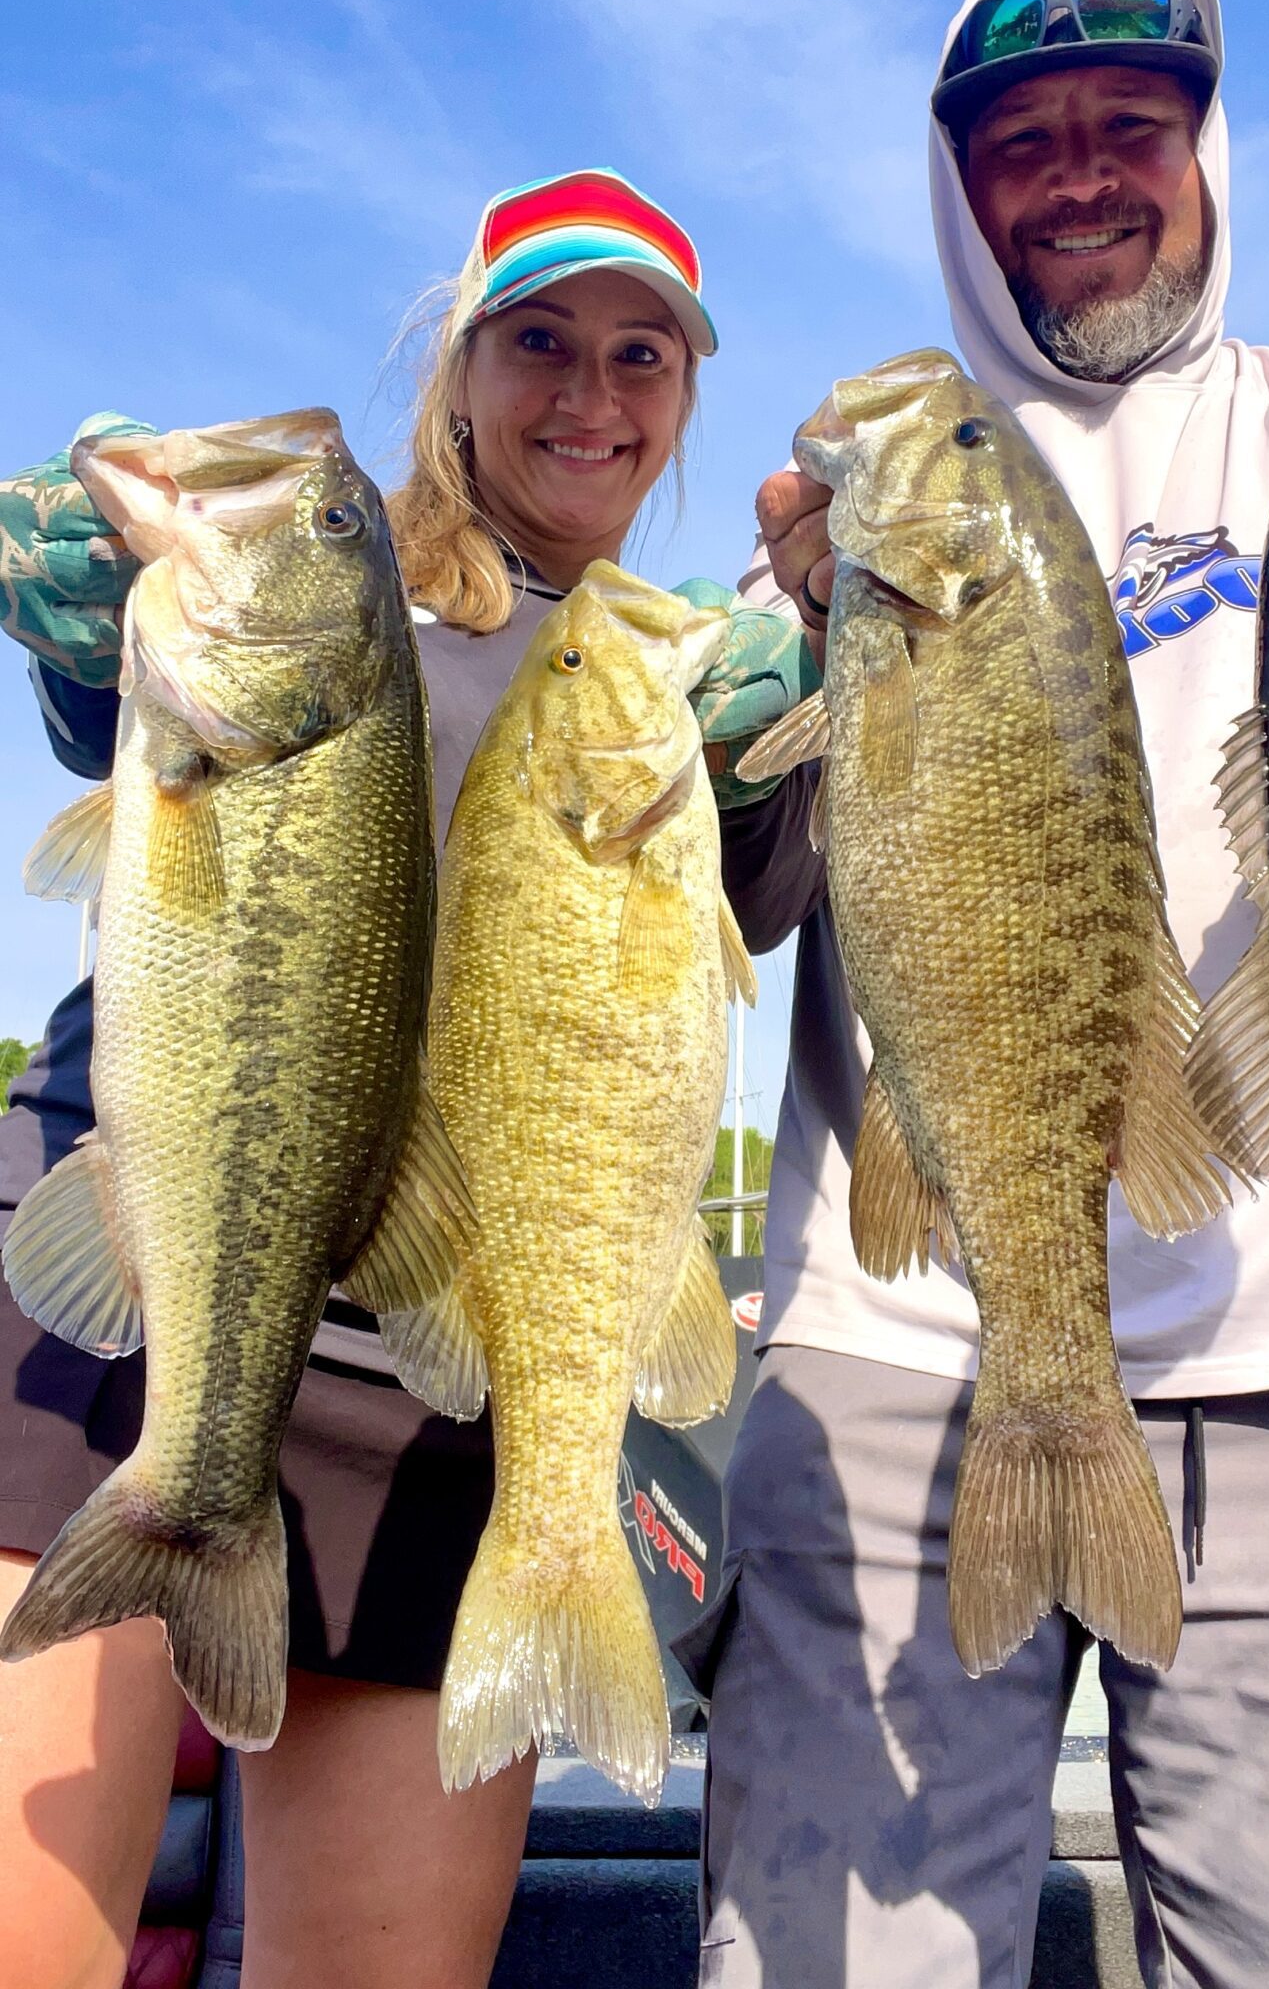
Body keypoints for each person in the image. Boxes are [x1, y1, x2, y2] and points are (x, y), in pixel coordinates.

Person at [679, 0, 1269, 1989]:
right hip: (913, 1350)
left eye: (1131, 128)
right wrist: (769, 673)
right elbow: (741, 900)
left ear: (1208, 156)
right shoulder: (846, 510)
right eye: (1024, 144)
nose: (1082, 176)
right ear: (960, 189)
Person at [0, 165, 722, 1989]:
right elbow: (102, 663)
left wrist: (847, 671)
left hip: (428, 1357)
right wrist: (80, 589)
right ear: (454, 374)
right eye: (537, 340)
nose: (588, 392)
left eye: (641, 354)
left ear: (684, 403)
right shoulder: (302, 586)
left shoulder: (673, 681)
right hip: (125, 1295)